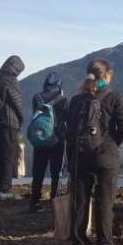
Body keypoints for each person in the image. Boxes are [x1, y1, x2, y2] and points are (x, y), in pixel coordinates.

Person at [66, 59, 123, 245]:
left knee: (80, 202)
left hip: (80, 155)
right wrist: (111, 142)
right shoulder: (114, 96)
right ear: (108, 74)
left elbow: (69, 129)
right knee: (105, 201)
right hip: (106, 155)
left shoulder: (76, 100)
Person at [29, 71, 68, 213]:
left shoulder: (37, 98)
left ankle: (34, 201)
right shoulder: (63, 100)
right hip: (57, 139)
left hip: (40, 138)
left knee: (38, 171)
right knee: (56, 172)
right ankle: (54, 201)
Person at [0, 55, 24, 200]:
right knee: (8, 156)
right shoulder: (10, 81)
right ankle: (5, 189)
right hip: (10, 123)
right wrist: (21, 118)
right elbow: (16, 102)